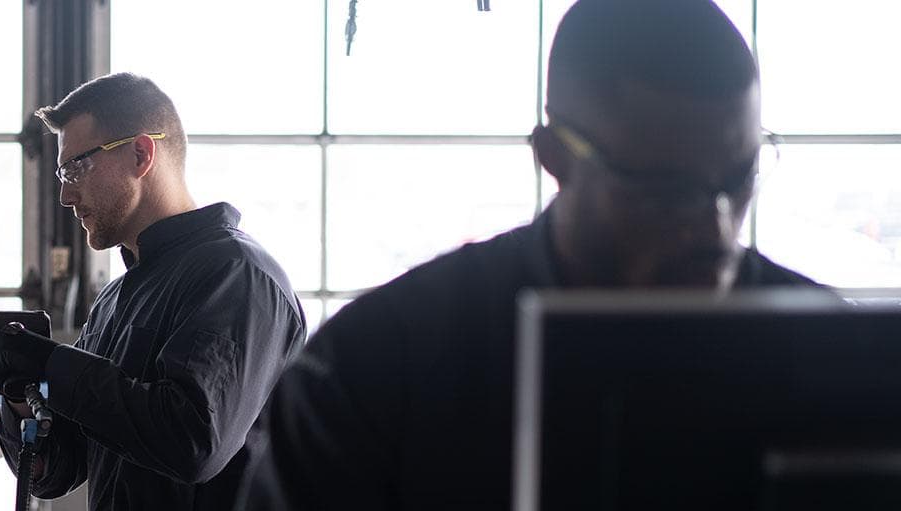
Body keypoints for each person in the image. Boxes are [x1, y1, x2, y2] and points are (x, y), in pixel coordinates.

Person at [264, 0, 823, 508]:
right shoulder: (376, 368)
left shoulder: (829, 349)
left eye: (740, 176)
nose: (716, 226)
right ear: (554, 157)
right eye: (664, 190)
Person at [0, 72, 306, 510]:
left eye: (75, 167)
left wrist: (51, 363)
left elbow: (193, 441)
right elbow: (59, 471)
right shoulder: (114, 301)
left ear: (140, 153)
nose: (64, 194)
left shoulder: (236, 276)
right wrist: (20, 390)